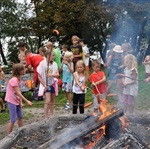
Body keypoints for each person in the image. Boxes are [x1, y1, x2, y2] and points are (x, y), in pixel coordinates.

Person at [5, 63, 32, 133]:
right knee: (13, 119)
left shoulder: (19, 79)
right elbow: (18, 93)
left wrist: (21, 102)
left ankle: (22, 131)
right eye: (23, 69)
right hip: (11, 100)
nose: (25, 70)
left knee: (20, 117)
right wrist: (27, 101)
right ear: (19, 71)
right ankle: (9, 136)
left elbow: (19, 91)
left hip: (16, 100)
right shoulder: (14, 80)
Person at [37, 49, 59, 118]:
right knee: (48, 100)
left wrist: (51, 75)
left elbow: (57, 74)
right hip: (46, 84)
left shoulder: (54, 64)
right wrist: (44, 85)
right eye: (53, 55)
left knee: (52, 100)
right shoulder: (42, 64)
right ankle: (46, 116)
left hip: (52, 83)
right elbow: (39, 76)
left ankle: (51, 115)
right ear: (48, 55)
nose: (54, 57)